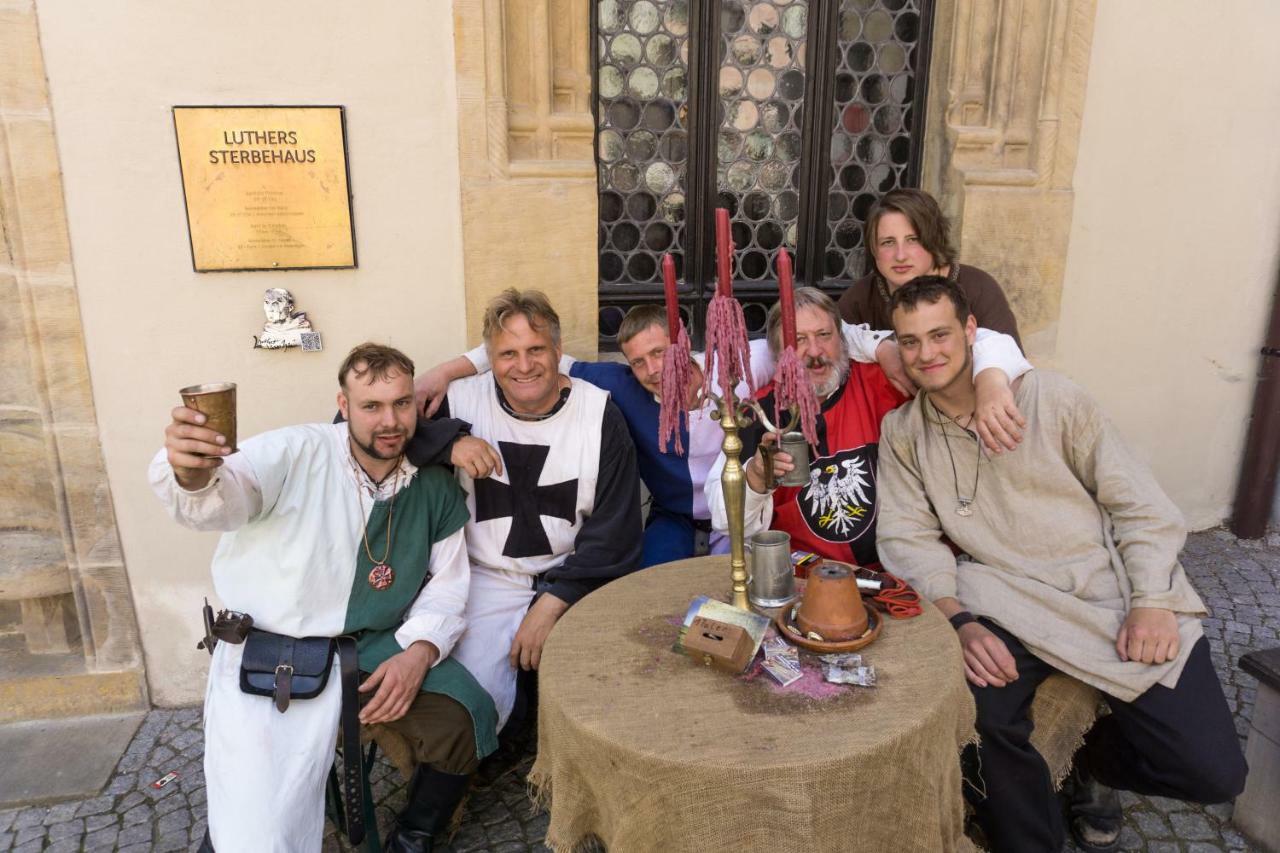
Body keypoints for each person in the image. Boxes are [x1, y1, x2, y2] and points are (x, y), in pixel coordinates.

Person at [876, 277, 1247, 853]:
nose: (927, 353)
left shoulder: (1051, 398)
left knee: (1214, 772)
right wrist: (958, 620)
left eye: (940, 334)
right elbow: (907, 536)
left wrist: (1151, 600)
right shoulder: (903, 432)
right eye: (911, 341)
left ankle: (1087, 761)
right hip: (1000, 596)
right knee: (983, 723)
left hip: (1103, 590)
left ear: (972, 331)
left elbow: (1140, 506)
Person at [150, 343, 496, 853]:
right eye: (371, 407)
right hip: (277, 650)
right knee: (257, 828)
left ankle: (414, 835)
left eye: (401, 403)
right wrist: (192, 473)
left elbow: (446, 587)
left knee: (467, 715)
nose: (390, 421)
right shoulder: (298, 452)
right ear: (343, 405)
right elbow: (229, 493)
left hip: (379, 644)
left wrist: (419, 653)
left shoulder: (435, 486)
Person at [416, 305, 903, 567]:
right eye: (638, 360)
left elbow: (826, 335)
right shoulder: (620, 385)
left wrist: (883, 350)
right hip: (672, 517)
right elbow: (532, 356)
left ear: (683, 340)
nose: (652, 370)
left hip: (734, 515)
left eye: (660, 353)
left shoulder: (738, 363)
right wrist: (443, 372)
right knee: (649, 591)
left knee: (739, 594)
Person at [406, 288, 643, 733]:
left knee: (606, 703)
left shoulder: (598, 415)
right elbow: (360, 430)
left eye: (536, 349)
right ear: (488, 360)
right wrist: (448, 440)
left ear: (558, 351)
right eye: (507, 354)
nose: (524, 365)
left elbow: (615, 529)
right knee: (460, 708)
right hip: (487, 578)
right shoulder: (460, 402)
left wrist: (553, 602)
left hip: (575, 579)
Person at [706, 286, 1030, 567]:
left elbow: (976, 343)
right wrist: (757, 477)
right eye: (798, 340)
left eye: (824, 335)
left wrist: (991, 380)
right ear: (777, 353)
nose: (815, 352)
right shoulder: (759, 412)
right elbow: (724, 519)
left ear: (843, 339)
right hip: (809, 581)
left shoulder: (884, 382)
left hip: (904, 572)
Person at [837, 189, 1027, 453]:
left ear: (933, 239)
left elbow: (1006, 351)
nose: (900, 255)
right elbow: (833, 336)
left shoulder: (976, 287)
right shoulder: (862, 296)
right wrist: (881, 347)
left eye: (913, 239)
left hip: (972, 434)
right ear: (873, 249)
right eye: (887, 242)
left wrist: (990, 381)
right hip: (892, 438)